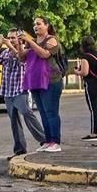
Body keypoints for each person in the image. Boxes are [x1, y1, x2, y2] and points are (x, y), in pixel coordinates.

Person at [0, 28, 45, 157]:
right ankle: (19, 148)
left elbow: (21, 59)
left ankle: (44, 139)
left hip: (20, 89)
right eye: (8, 38)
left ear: (19, 38)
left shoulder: (23, 50)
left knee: (27, 113)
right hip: (8, 90)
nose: (10, 40)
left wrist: (10, 46)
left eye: (13, 38)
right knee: (14, 120)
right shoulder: (5, 52)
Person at [19, 17, 65, 153]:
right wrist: (21, 44)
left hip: (51, 80)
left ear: (47, 25)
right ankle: (48, 140)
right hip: (35, 80)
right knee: (43, 112)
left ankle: (56, 142)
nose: (35, 26)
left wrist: (30, 42)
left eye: (39, 24)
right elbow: (22, 57)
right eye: (34, 24)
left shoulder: (51, 40)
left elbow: (45, 54)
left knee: (51, 111)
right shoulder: (31, 42)